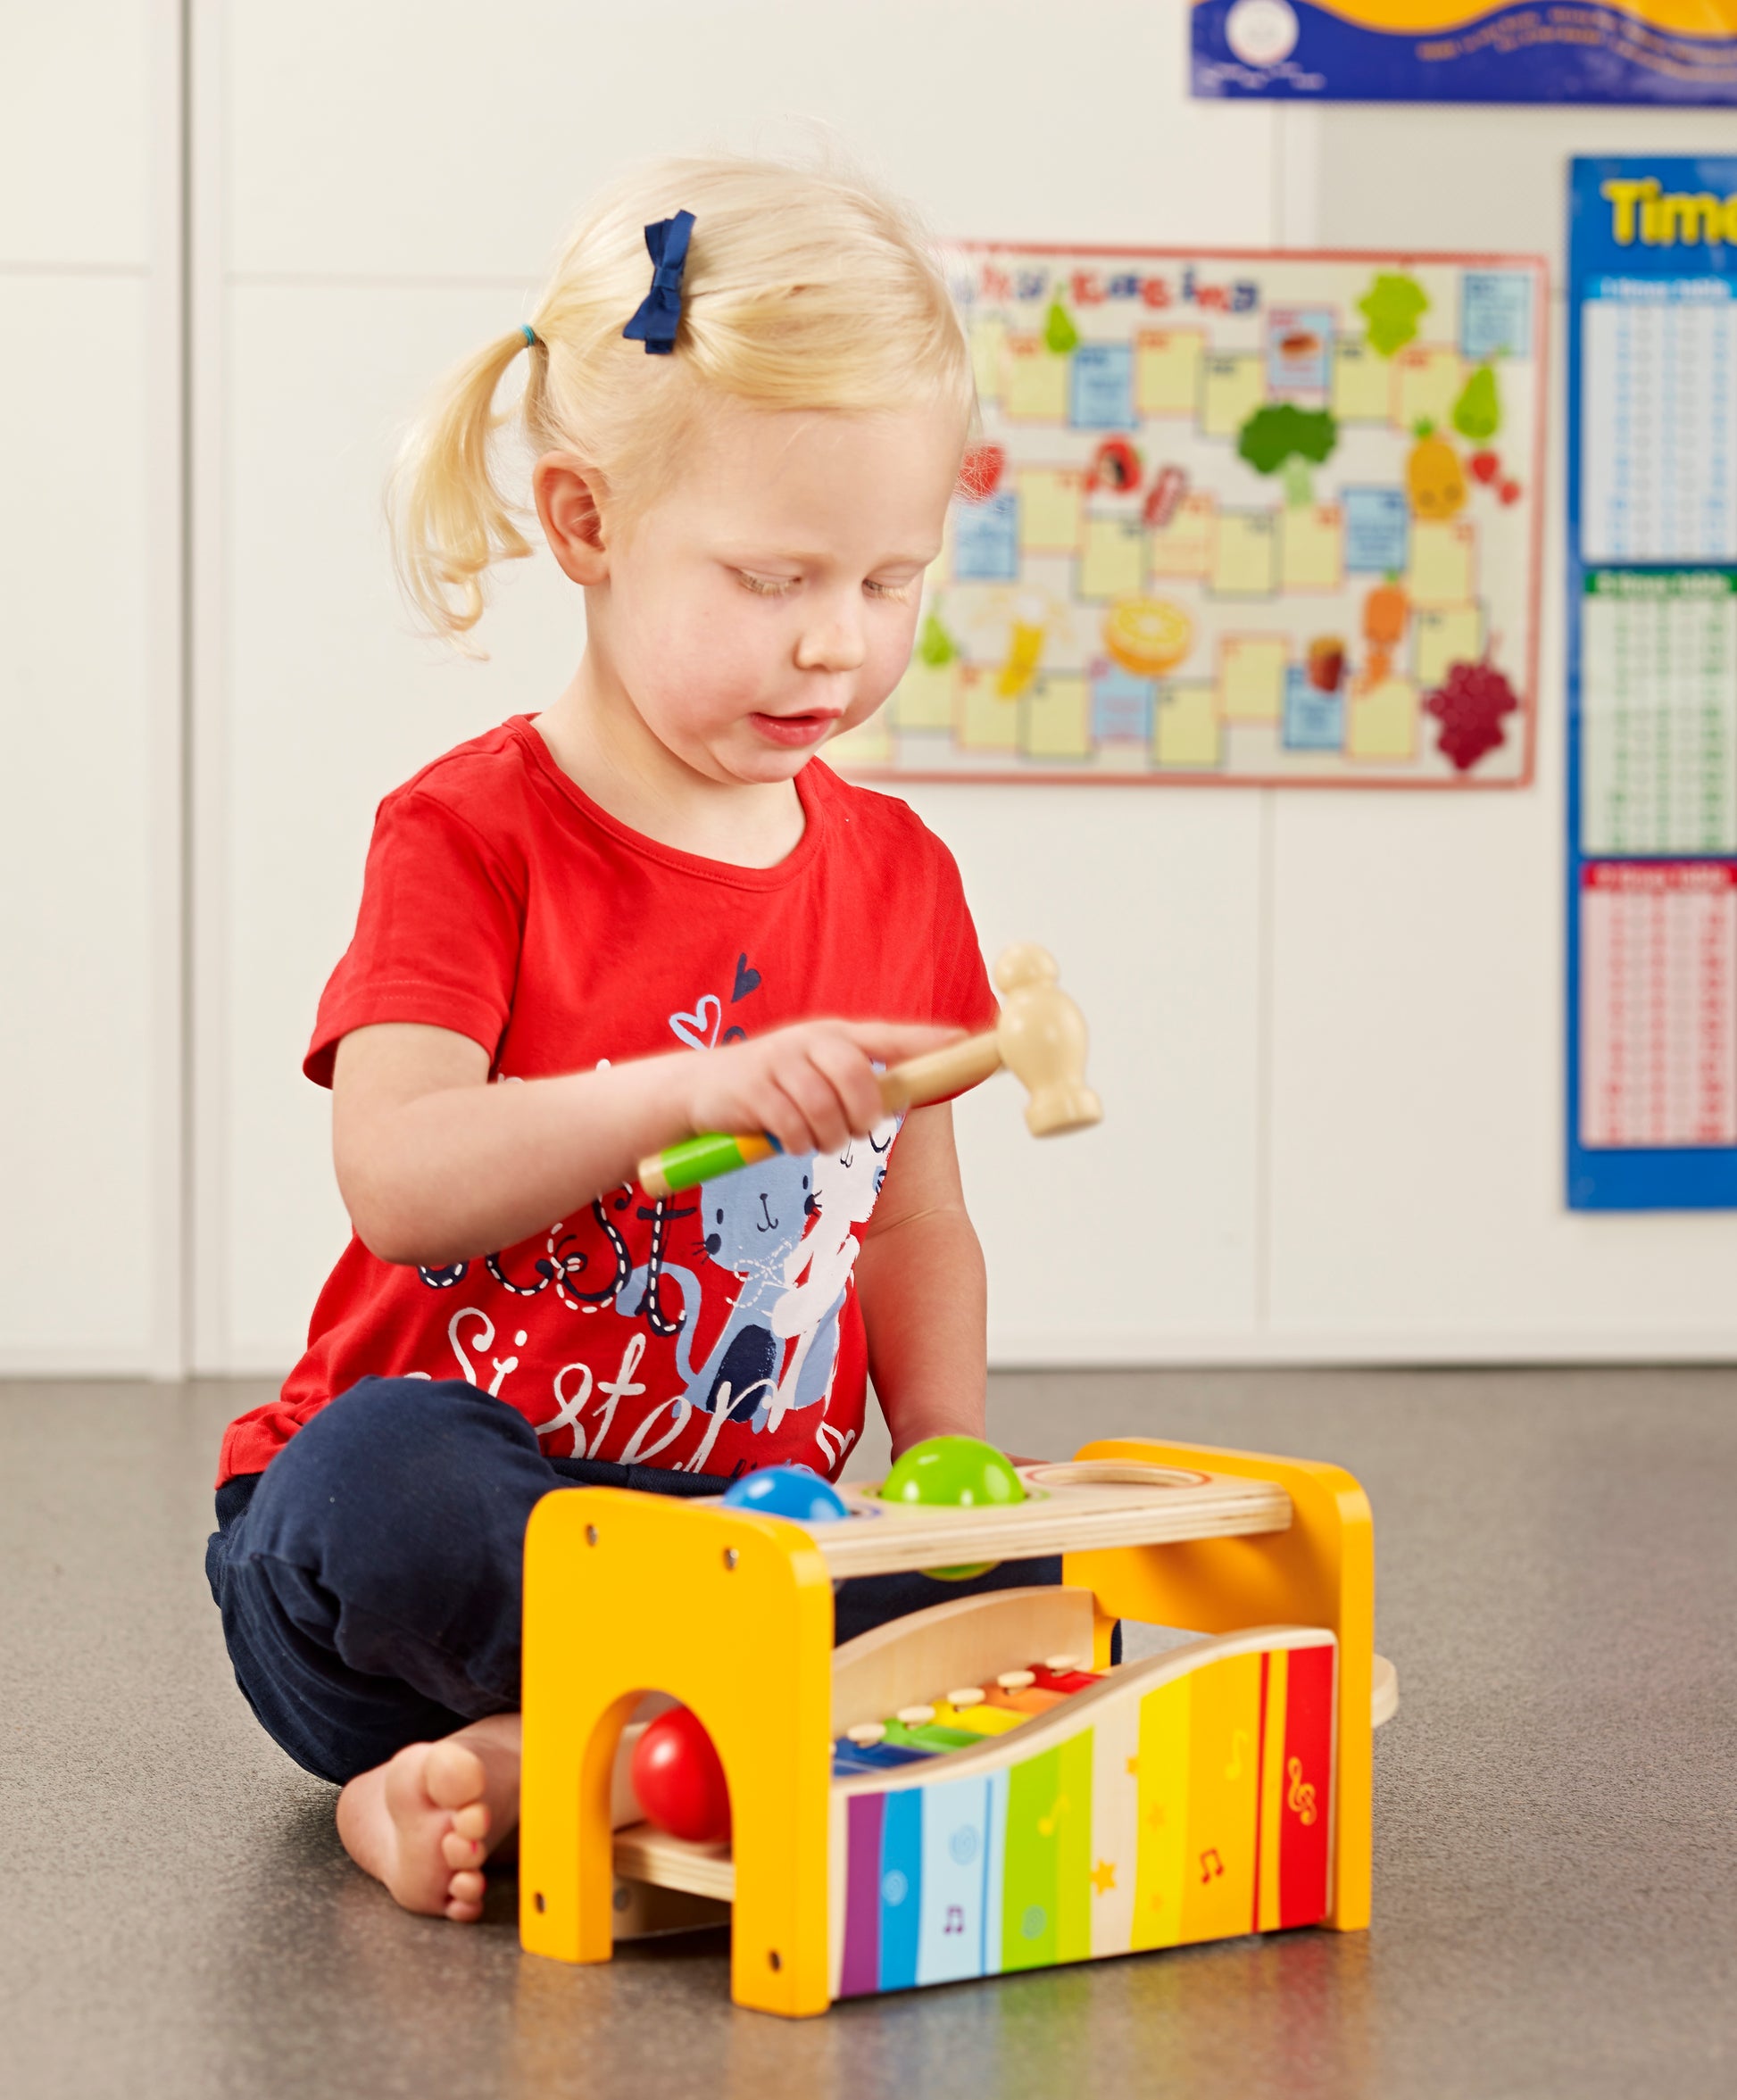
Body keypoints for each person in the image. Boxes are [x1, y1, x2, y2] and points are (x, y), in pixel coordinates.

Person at [204, 154, 1053, 1924]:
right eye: (772, 577)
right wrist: (684, 1087)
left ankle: (554, 1762)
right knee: (374, 1487)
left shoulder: (902, 875)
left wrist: (942, 1464)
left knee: (996, 1588)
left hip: (731, 1539)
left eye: (888, 579)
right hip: (445, 1565)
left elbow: (914, 1218)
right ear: (585, 525)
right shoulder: (468, 834)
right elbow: (399, 1181)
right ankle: (640, 1723)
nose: (836, 644)